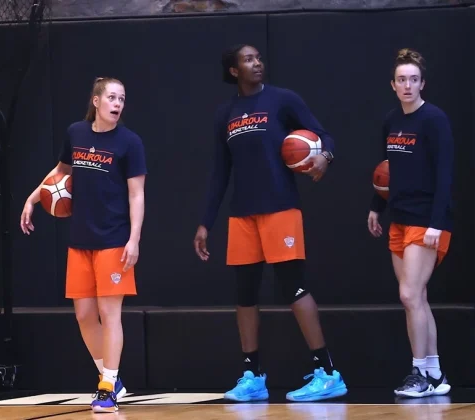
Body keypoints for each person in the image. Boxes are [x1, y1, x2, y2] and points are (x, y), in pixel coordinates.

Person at [193, 44, 348, 402]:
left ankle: (328, 373)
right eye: (248, 60)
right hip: (242, 214)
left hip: (280, 208)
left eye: (259, 58)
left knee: (294, 287)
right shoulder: (225, 114)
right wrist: (205, 223)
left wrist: (324, 156)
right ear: (234, 70)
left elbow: (325, 135)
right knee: (245, 294)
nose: (257, 63)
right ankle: (253, 377)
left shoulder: (282, 100)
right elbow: (220, 172)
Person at [20, 77, 147, 413]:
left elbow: (137, 194)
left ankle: (107, 386)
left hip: (113, 239)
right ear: (96, 101)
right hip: (80, 240)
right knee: (84, 315)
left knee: (109, 313)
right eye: (112, 97)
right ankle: (110, 378)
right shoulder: (76, 133)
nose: (117, 103)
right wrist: (33, 199)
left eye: (122, 98)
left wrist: (134, 239)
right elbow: (60, 171)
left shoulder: (130, 142)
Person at [368, 48, 453, 398]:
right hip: (399, 218)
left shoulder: (434, 119)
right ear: (393, 84)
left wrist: (437, 223)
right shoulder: (391, 121)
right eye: (401, 79)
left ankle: (418, 372)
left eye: (413, 79)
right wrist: (377, 207)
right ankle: (434, 373)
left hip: (427, 220)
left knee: (409, 294)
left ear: (422, 84)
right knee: (416, 298)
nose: (407, 85)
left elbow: (445, 174)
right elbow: (386, 170)